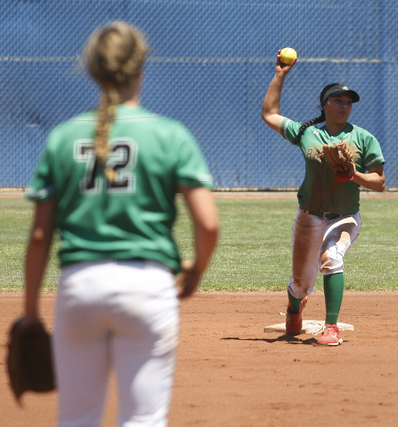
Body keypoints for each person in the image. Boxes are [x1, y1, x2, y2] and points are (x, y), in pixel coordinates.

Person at [24, 21, 219, 426]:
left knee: (76, 419)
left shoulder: (63, 137)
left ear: (93, 71)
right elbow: (208, 224)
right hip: (147, 287)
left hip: (80, 287)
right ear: (140, 69)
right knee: (143, 419)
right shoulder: (169, 135)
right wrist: (196, 271)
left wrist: (30, 313)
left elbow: (41, 235)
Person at [261, 51, 386, 345]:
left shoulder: (363, 138)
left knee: (332, 258)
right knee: (301, 283)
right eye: (338, 100)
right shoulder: (306, 133)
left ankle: (332, 327)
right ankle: (295, 309)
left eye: (348, 102)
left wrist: (354, 175)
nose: (344, 105)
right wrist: (280, 74)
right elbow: (269, 113)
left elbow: (379, 183)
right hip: (309, 216)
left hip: (344, 217)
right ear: (325, 104)